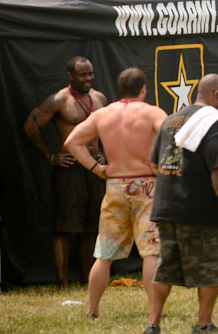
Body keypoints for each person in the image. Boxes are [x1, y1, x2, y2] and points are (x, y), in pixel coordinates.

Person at [65, 67, 167, 324]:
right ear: (144, 89)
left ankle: (92, 309)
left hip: (116, 185)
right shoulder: (152, 112)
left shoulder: (103, 114)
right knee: (151, 251)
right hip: (146, 186)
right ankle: (155, 311)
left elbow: (72, 142)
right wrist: (160, 166)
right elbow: (172, 136)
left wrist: (97, 169)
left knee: (105, 253)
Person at [149, 74, 218, 334]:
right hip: (198, 209)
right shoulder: (214, 122)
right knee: (210, 267)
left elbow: (155, 163)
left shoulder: (169, 120)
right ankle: (203, 325)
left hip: (165, 206)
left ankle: (152, 324)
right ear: (217, 94)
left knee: (164, 268)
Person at [23, 56, 107, 286]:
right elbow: (30, 126)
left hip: (94, 168)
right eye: (83, 74)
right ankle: (62, 282)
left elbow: (104, 130)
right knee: (65, 227)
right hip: (70, 168)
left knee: (90, 228)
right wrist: (51, 155)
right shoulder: (59, 100)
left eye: (90, 73)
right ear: (70, 76)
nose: (88, 78)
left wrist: (102, 154)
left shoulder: (99, 98)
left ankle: (86, 280)